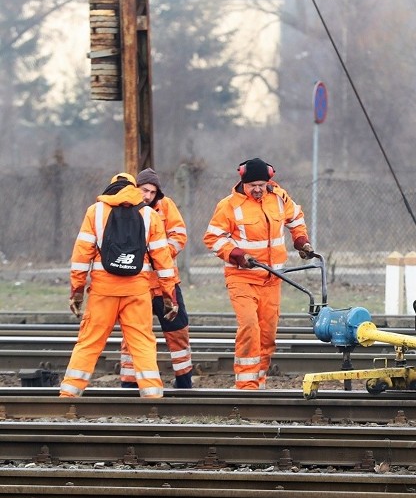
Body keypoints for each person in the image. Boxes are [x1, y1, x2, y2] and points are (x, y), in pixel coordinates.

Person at [60, 173, 179, 399]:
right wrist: (168, 294)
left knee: (89, 342)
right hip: (137, 291)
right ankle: (153, 395)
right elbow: (163, 261)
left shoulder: (95, 212)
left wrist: (76, 292)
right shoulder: (148, 215)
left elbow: (81, 257)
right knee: (142, 342)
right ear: (134, 189)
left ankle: (69, 394)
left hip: (102, 291)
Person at [203, 157, 314, 389]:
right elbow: (213, 237)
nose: (257, 189)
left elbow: (296, 219)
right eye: (252, 185)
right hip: (241, 278)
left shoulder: (280, 198)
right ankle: (245, 387)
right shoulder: (229, 206)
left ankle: (259, 382)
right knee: (250, 328)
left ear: (268, 182)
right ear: (243, 183)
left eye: (261, 185)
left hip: (272, 279)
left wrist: (301, 241)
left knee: (267, 335)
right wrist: (236, 255)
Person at [119, 168, 193, 389]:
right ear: (136, 189)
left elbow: (179, 236)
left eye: (152, 192)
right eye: (144, 190)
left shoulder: (166, 206)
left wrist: (159, 255)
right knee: (132, 335)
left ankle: (184, 381)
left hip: (165, 283)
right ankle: (129, 384)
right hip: (137, 284)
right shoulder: (126, 207)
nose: (148, 196)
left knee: (178, 331)